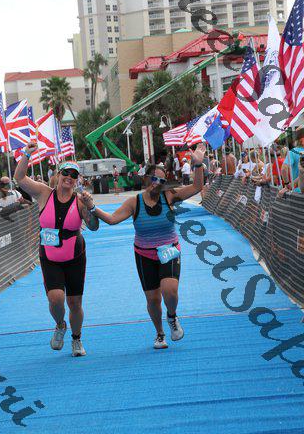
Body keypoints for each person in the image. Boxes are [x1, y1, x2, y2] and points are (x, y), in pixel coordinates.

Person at [80, 144, 206, 350]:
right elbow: (112, 219)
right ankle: (160, 333)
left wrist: (199, 164)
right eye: (154, 179)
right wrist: (92, 207)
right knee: (153, 299)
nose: (157, 183)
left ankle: (172, 316)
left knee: (170, 291)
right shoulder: (134, 202)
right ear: (147, 179)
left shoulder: (169, 196)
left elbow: (197, 187)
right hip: (144, 255)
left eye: (161, 180)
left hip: (169, 250)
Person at [14, 145, 99, 357]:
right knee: (55, 299)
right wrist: (26, 154)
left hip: (75, 256)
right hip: (50, 256)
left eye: (74, 175)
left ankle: (77, 339)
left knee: (74, 302)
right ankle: (60, 324)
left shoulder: (79, 201)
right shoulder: (44, 193)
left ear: (77, 180)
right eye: (66, 173)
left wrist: (90, 207)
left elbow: (94, 226)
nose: (69, 177)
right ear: (58, 174)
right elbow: (19, 177)